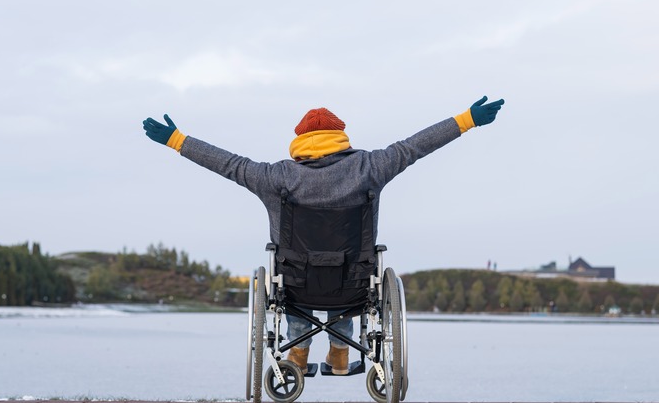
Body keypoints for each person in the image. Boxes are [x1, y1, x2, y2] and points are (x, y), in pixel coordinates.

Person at [142, 96, 504, 374]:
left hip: (296, 284)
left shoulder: (275, 177)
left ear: (300, 141)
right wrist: (466, 120)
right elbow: (414, 147)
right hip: (354, 284)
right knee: (346, 273)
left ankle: (297, 353)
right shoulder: (370, 167)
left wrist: (177, 140)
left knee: (295, 277)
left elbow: (229, 164)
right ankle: (341, 353)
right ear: (340, 137)